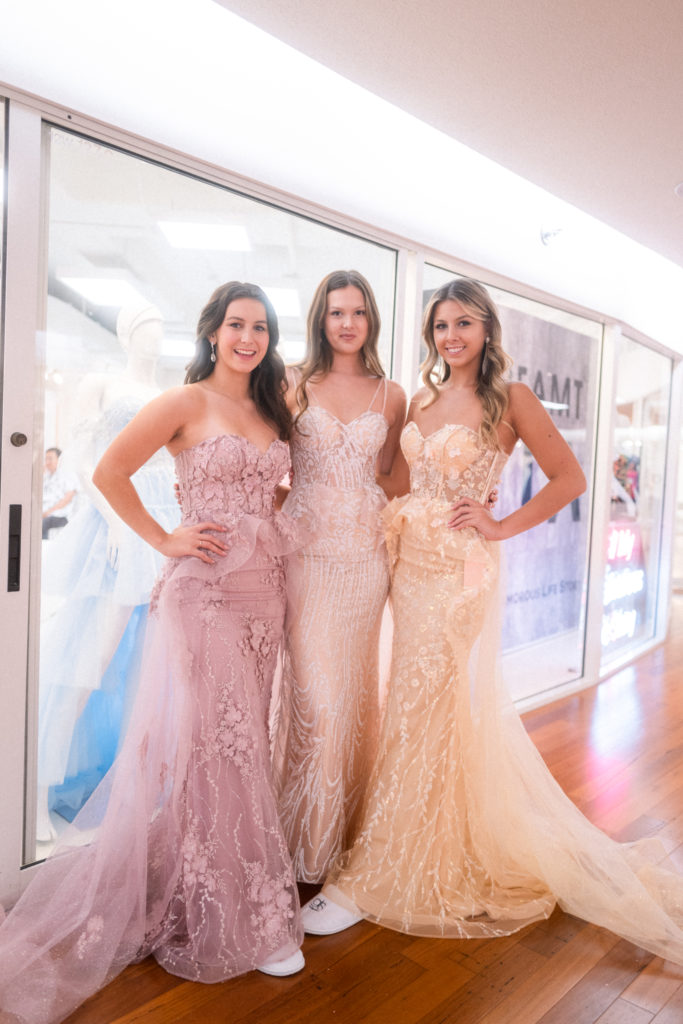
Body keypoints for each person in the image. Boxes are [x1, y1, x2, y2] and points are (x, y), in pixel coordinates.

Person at [302, 278, 683, 966]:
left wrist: (500, 523)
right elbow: (393, 480)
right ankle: (420, 834)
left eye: (464, 324)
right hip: (404, 562)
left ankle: (379, 874)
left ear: (486, 331)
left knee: (420, 705)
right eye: (441, 325)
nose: (452, 336)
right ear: (430, 335)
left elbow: (569, 478)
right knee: (416, 710)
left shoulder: (509, 400)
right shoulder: (416, 399)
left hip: (455, 576)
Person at [0, 282, 305, 1024]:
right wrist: (166, 537)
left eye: (259, 327)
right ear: (211, 332)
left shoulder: (271, 410)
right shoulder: (183, 402)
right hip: (203, 597)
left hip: (267, 596)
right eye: (236, 324)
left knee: (240, 747)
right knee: (221, 747)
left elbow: (274, 496)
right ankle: (233, 911)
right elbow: (108, 472)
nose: (248, 337)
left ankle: (209, 873)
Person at [271, 270, 406, 883]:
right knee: (313, 701)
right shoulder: (292, 383)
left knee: (353, 700)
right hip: (305, 558)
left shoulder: (392, 395)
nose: (347, 323)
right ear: (319, 320)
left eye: (357, 312)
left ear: (370, 320)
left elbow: (392, 476)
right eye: (335, 312)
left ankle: (341, 839)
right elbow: (265, 462)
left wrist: (457, 494)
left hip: (365, 561)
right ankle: (297, 839)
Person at [36, 302, 180, 841]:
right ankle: (40, 784)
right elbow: (82, 459)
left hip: (166, 518)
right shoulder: (103, 382)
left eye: (160, 327)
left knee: (153, 659)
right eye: (146, 326)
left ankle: (135, 787)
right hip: (120, 521)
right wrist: (117, 520)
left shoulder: (169, 394)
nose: (155, 336)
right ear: (125, 334)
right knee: (92, 658)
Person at [41, 447, 78, 538]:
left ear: (59, 459)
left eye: (50, 458)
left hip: (60, 515)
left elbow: (67, 499)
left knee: (40, 524)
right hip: (45, 514)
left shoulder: (67, 475)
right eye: (46, 459)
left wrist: (48, 512)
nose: (47, 462)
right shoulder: (47, 476)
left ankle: (40, 550)